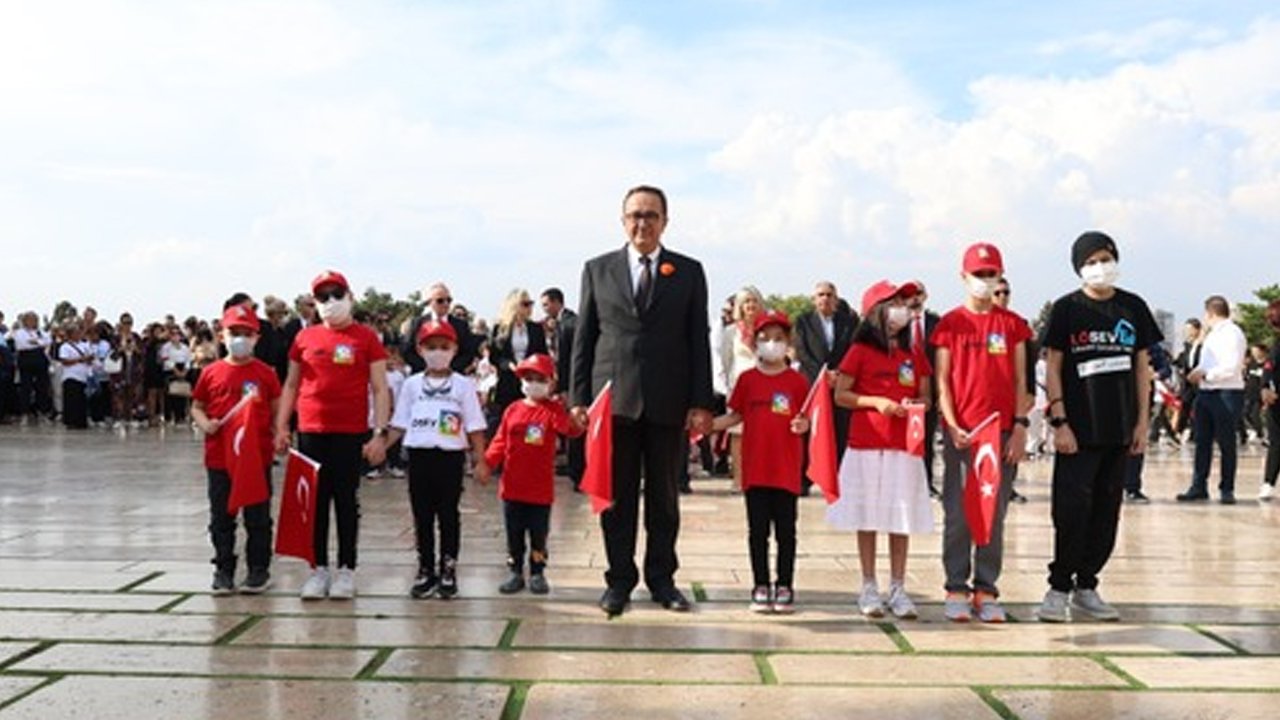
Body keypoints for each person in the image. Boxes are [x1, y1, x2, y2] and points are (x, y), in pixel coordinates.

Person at [570, 184, 714, 616]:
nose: (642, 223)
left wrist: (701, 401)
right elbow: (585, 337)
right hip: (613, 402)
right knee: (617, 498)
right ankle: (618, 580)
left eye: (651, 215)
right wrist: (579, 396)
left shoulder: (688, 271)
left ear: (665, 222)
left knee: (665, 498)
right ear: (622, 220)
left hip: (668, 401)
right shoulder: (598, 269)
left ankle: (662, 579)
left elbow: (697, 340)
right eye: (635, 215)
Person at [1037, 231, 1159, 623]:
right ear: (1079, 268)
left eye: (1105, 258)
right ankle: (1058, 587)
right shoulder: (1066, 309)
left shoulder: (1133, 307)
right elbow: (1054, 367)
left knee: (1107, 511)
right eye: (1090, 261)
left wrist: (1142, 422)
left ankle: (1087, 585)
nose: (1099, 267)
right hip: (1078, 430)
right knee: (1071, 510)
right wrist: (1060, 421)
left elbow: (1142, 367)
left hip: (1120, 429)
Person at [274, 270, 391, 601]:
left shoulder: (366, 338)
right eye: (322, 296)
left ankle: (346, 569)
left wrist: (379, 434)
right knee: (313, 503)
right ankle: (317, 568)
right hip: (311, 431)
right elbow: (292, 385)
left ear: (349, 296)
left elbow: (380, 388)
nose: (330, 302)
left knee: (346, 502)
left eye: (335, 294)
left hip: (350, 432)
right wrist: (282, 426)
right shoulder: (304, 338)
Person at [932, 243, 1032, 623]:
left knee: (994, 513)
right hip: (963, 434)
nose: (986, 282)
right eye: (979, 274)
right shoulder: (949, 325)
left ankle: (986, 588)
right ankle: (956, 585)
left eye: (992, 275)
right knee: (958, 511)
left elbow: (1022, 381)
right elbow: (942, 381)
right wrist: (953, 424)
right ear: (964, 277)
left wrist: (1020, 428)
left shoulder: (1013, 326)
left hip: (1002, 434)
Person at [827, 280, 934, 619]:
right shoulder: (859, 350)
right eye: (894, 302)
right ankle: (869, 584)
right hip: (867, 443)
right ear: (876, 310)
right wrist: (877, 403)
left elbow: (927, 395)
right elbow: (841, 394)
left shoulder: (912, 352)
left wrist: (917, 404)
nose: (902, 309)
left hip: (905, 445)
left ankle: (898, 586)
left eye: (904, 302)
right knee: (868, 516)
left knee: (900, 516)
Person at [713, 310, 810, 613]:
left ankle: (784, 585)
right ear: (755, 342)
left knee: (786, 532)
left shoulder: (796, 381)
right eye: (765, 338)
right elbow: (735, 415)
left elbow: (810, 418)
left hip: (786, 468)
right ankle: (760, 584)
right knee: (757, 532)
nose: (771, 343)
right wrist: (706, 425)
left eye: (778, 339)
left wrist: (805, 425)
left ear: (788, 342)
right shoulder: (747, 380)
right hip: (755, 469)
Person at [384, 320, 489, 599]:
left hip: (450, 457)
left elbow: (475, 426)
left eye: (444, 347)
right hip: (419, 456)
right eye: (431, 347)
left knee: (448, 514)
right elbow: (399, 423)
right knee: (422, 515)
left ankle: (448, 568)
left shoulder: (463, 386)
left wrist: (481, 460)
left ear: (454, 349)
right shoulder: (412, 384)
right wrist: (380, 446)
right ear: (420, 349)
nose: (438, 352)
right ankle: (425, 568)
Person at [190, 306, 282, 594]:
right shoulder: (211, 373)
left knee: (257, 516)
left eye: (246, 333)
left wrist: (281, 433)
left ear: (256, 337)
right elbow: (197, 406)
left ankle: (258, 569)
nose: (240, 338)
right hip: (220, 457)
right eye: (234, 333)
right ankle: (223, 569)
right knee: (221, 516)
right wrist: (206, 424)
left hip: (256, 457)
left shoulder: (265, 374)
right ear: (222, 335)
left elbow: (278, 411)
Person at [484, 353, 582, 595]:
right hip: (512, 487)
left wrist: (575, 419)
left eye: (540, 378)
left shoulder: (553, 410)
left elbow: (568, 430)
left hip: (539, 490)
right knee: (513, 535)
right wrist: (486, 463)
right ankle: (515, 571)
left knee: (539, 536)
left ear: (550, 383)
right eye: (529, 378)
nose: (533, 383)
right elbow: (499, 441)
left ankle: (537, 571)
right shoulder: (512, 410)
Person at [1177, 296, 1248, 504]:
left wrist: (1205, 375)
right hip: (1206, 393)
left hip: (1226, 393)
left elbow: (1231, 366)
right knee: (1202, 442)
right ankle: (1199, 486)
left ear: (1210, 313)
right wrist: (1197, 373)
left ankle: (1227, 488)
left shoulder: (1233, 334)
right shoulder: (1211, 336)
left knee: (1226, 443)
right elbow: (1206, 363)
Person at [794, 281, 857, 474]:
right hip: (812, 383)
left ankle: (839, 475)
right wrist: (822, 375)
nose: (825, 299)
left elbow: (853, 350)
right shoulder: (803, 321)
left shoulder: (849, 322)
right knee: (810, 429)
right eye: (821, 295)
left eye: (829, 295)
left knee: (840, 429)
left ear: (836, 299)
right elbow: (802, 352)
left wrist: (839, 374)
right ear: (814, 299)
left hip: (840, 383)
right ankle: (806, 476)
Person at [720, 286, 765, 488]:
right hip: (739, 384)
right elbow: (726, 360)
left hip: (764, 383)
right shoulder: (731, 332)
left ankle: (759, 477)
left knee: (763, 433)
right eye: (746, 301)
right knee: (738, 434)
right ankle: (739, 479)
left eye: (754, 301)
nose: (751, 305)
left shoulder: (766, 329)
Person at [487, 289, 548, 431]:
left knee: (532, 421)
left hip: (532, 380)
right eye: (525, 304)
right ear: (514, 306)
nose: (530, 308)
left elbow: (543, 354)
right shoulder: (500, 329)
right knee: (510, 421)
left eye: (531, 304)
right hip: (509, 380)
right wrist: (509, 365)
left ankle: (533, 450)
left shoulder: (535, 328)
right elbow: (494, 356)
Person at [541, 287, 584, 489]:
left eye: (546, 304)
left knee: (574, 428)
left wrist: (566, 388)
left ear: (557, 302)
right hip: (563, 384)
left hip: (569, 386)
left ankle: (578, 472)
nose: (544, 309)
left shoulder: (570, 324)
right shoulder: (559, 324)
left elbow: (571, 360)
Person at [903, 283, 942, 498]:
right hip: (904, 389)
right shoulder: (897, 325)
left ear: (925, 296)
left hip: (930, 391)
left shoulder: (938, 323)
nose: (914, 298)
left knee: (926, 439)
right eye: (909, 295)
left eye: (918, 294)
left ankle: (926, 482)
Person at [403, 283, 478, 375]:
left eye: (449, 300)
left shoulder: (461, 325)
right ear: (430, 302)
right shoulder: (417, 324)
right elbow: (407, 351)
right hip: (422, 377)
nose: (446, 303)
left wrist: (447, 368)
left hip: (453, 377)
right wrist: (429, 368)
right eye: (440, 300)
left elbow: (468, 353)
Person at [10, 312, 53, 423]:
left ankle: (42, 412)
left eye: (34, 320)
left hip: (40, 359)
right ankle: (24, 413)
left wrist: (36, 342)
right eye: (30, 320)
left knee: (42, 387)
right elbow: (21, 345)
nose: (32, 322)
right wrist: (39, 343)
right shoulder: (19, 332)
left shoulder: (40, 332)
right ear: (25, 321)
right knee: (26, 388)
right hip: (26, 360)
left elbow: (48, 341)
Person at [1259, 300, 1280, 501]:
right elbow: (1268, 369)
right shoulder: (1276, 344)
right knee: (1276, 443)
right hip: (1277, 402)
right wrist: (1265, 388)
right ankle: (1268, 483)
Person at [57, 322, 94, 429]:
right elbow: (64, 360)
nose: (78, 335)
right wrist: (80, 360)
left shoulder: (84, 345)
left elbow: (90, 356)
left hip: (83, 377)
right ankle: (71, 421)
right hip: (71, 376)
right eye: (75, 333)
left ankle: (81, 421)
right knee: (71, 400)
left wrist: (89, 359)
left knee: (81, 401)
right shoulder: (65, 347)